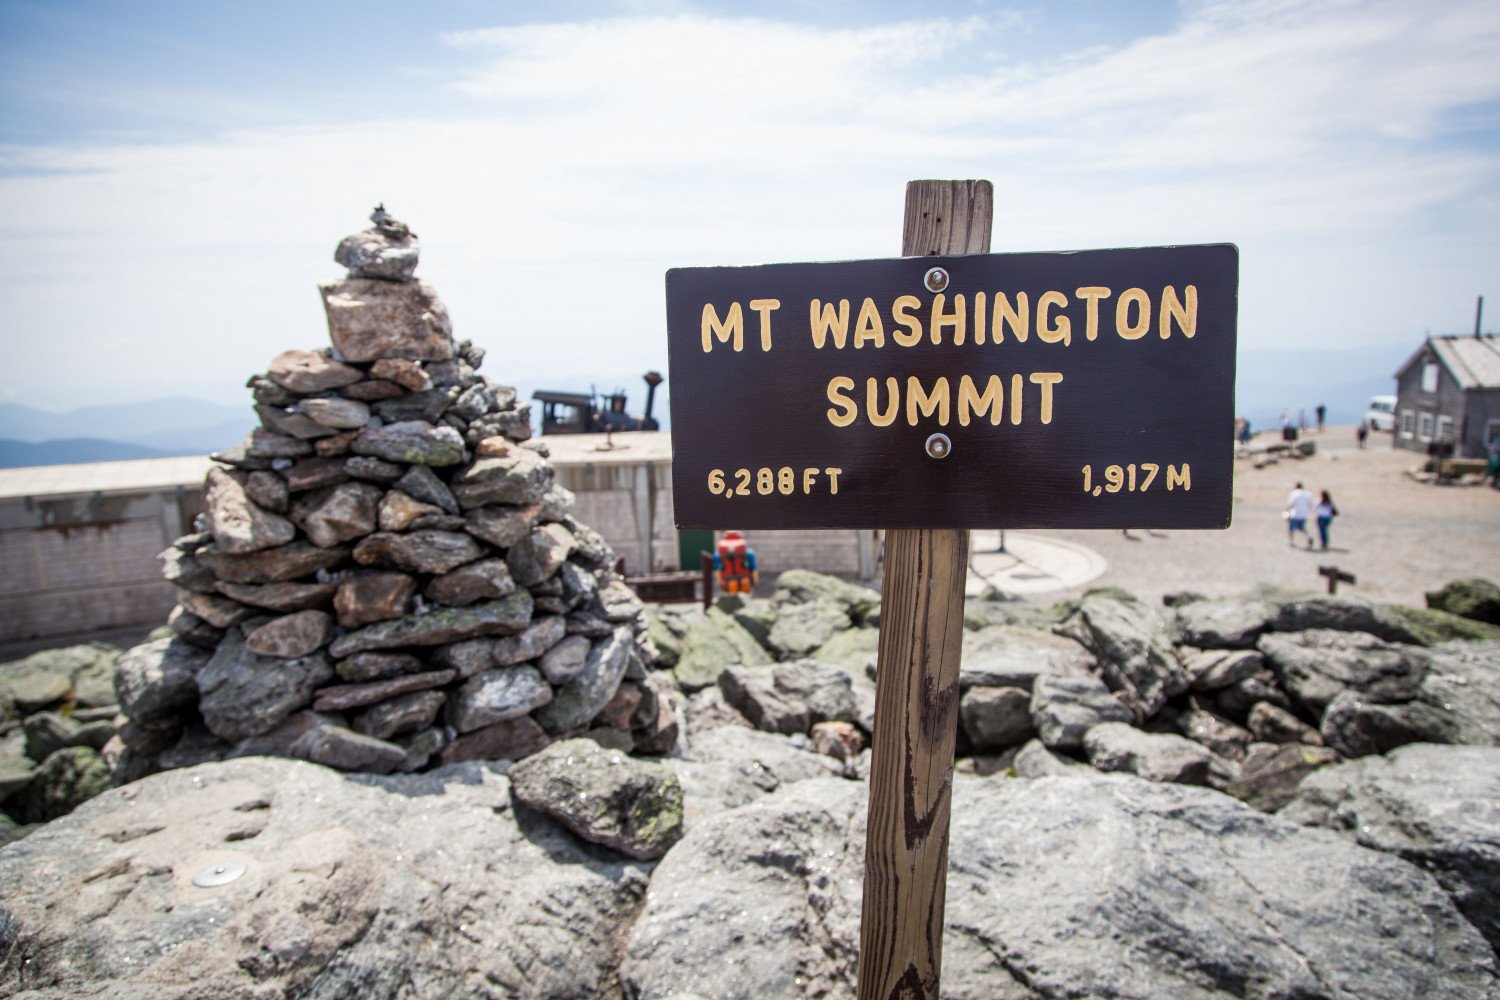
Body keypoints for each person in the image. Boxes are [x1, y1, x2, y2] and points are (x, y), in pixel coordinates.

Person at [1285, 482, 1315, 549]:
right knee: (1302, 528)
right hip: (1304, 514)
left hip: (1295, 514)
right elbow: (1310, 504)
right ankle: (1308, 537)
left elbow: (1291, 503)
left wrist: (1286, 511)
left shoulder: (1294, 493)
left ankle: (1291, 541)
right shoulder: (1308, 494)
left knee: (1291, 528)